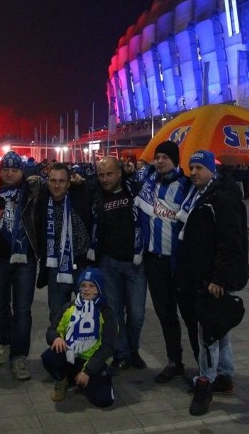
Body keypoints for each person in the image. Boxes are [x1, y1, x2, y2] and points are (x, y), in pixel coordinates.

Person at [176, 150, 249, 416]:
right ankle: (225, 376)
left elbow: (229, 241)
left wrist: (218, 278)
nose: (193, 172)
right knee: (219, 329)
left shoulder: (221, 196)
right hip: (202, 274)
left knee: (207, 333)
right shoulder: (203, 193)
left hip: (211, 278)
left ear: (210, 169)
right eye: (191, 168)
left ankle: (205, 383)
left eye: (198, 167)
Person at [135, 140, 197, 384]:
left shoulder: (187, 185)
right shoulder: (148, 184)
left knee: (191, 317)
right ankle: (175, 362)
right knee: (166, 315)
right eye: (157, 157)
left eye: (165, 157)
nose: (159, 161)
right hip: (154, 262)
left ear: (175, 160)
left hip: (179, 263)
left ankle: (205, 368)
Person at [0, 151, 40, 380]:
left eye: (14, 170)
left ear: (22, 172)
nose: (9, 173)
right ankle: (6, 343)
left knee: (22, 310)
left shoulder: (32, 191)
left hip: (25, 258)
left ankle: (19, 356)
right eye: (5, 169)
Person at [89, 156, 146, 373]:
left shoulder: (136, 190)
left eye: (109, 174)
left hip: (135, 263)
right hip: (108, 263)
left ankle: (134, 350)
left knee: (137, 314)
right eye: (101, 175)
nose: (105, 179)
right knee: (114, 313)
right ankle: (122, 354)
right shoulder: (95, 196)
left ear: (119, 173)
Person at [41, 267, 116, 407]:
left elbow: (108, 346)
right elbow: (51, 329)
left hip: (92, 361)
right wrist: (56, 337)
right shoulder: (69, 307)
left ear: (99, 289)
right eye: (83, 285)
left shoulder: (107, 313)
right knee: (49, 357)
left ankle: (83, 379)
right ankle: (63, 379)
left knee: (104, 401)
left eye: (91, 286)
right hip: (71, 356)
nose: (86, 289)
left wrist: (88, 371)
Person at [36, 163, 92, 323]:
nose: (57, 185)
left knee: (88, 316)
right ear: (47, 182)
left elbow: (102, 185)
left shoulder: (79, 196)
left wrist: (81, 183)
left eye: (61, 181)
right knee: (57, 317)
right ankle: (60, 348)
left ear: (69, 183)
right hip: (56, 269)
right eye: (53, 180)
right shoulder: (42, 201)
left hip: (83, 266)